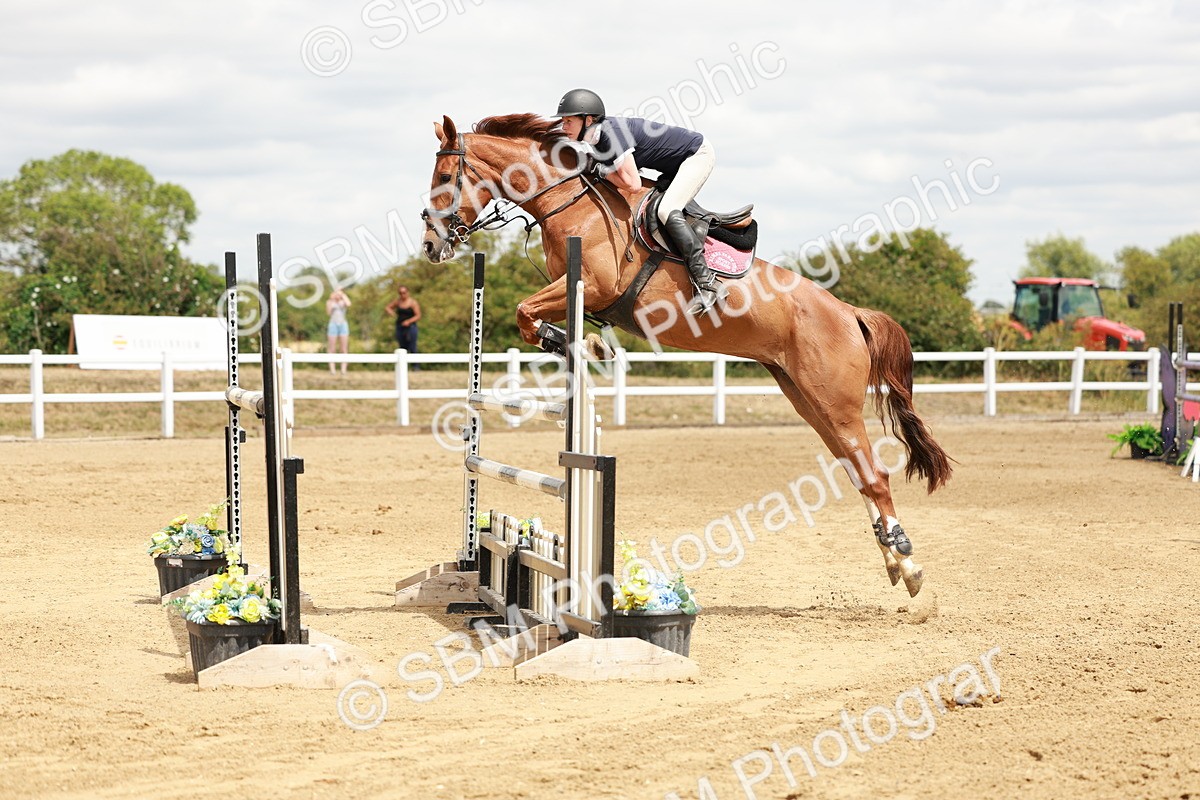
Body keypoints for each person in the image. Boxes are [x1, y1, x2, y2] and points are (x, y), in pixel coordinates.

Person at [553, 87, 720, 314]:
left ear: (588, 120)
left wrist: (601, 170)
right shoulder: (596, 138)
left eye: (568, 121)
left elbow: (632, 183)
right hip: (673, 167)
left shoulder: (611, 135)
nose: (563, 127)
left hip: (696, 156)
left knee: (666, 210)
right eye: (563, 122)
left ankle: (707, 282)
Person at [385, 285, 421, 364]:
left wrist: (409, 321)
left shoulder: (413, 303)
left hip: (411, 327)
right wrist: (392, 313)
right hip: (400, 327)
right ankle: (403, 366)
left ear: (408, 292)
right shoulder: (398, 302)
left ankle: (416, 366)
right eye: (400, 293)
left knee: (412, 346)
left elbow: (418, 315)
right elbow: (388, 307)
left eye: (404, 293)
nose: (402, 295)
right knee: (402, 347)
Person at [325, 287, 352, 376]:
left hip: (343, 325)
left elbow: (349, 304)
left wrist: (342, 295)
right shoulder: (330, 302)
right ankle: (332, 370)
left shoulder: (343, 302)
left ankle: (343, 370)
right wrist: (332, 299)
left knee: (344, 348)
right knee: (332, 348)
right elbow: (328, 312)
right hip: (333, 324)